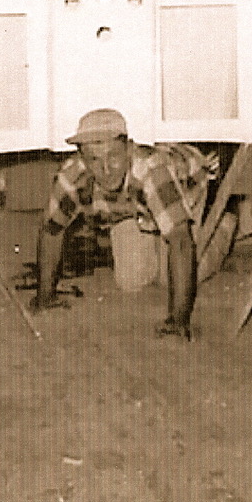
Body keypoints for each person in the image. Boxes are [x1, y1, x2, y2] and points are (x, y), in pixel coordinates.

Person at [30, 108, 220, 340]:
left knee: (169, 278)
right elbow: (51, 230)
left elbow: (180, 242)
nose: (106, 169)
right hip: (133, 206)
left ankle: (227, 227)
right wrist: (45, 296)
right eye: (94, 159)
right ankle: (152, 228)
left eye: (113, 156)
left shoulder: (152, 170)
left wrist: (177, 321)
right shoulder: (71, 176)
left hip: (184, 185)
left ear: (129, 148)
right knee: (131, 281)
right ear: (81, 158)